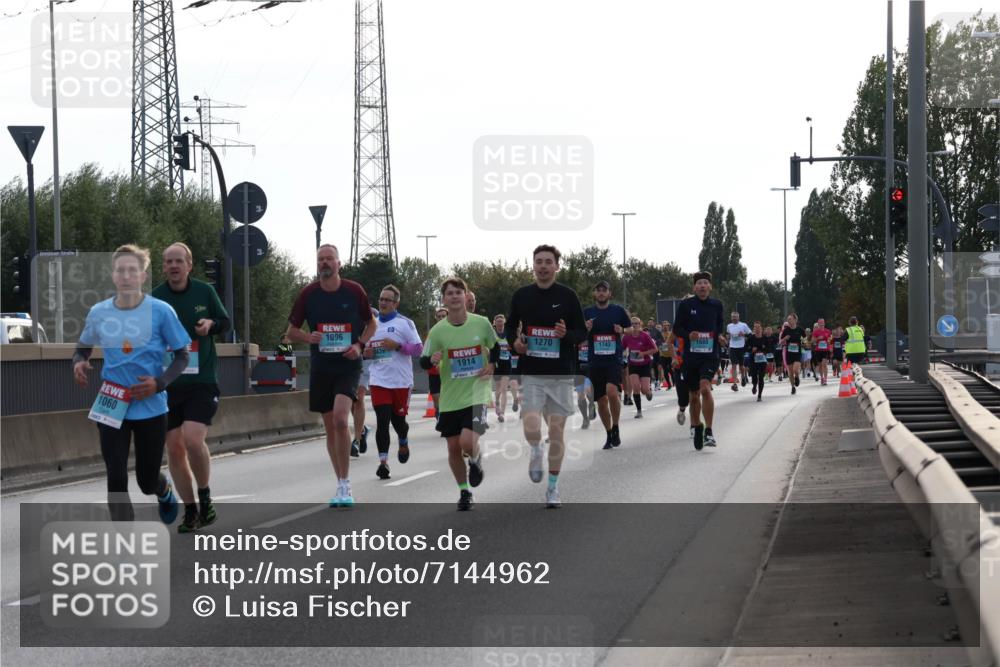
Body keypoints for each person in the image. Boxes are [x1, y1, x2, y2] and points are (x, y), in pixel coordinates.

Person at [74, 245, 191, 523]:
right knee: (115, 477)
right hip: (112, 401)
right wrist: (79, 362)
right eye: (120, 270)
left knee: (146, 481)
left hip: (150, 405)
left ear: (142, 275)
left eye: (132, 270)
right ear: (113, 276)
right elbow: (83, 348)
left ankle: (163, 489)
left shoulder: (161, 311)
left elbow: (182, 356)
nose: (126, 276)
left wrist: (159, 383)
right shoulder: (99, 312)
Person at [286, 244, 376, 508]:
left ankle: (346, 483)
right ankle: (339, 482)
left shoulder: (354, 290)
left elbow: (372, 323)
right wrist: (307, 336)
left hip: (348, 365)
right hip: (321, 366)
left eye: (329, 259)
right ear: (317, 264)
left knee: (340, 419)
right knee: (330, 426)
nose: (325, 263)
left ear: (339, 264)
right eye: (320, 259)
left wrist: (359, 345)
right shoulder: (308, 294)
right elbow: (291, 331)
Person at [152, 242, 231, 533]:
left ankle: (206, 495)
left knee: (192, 439)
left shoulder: (204, 291)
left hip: (201, 380)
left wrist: (211, 324)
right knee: (173, 448)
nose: (173, 266)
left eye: (178, 261)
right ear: (163, 267)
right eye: (168, 261)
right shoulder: (156, 298)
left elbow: (225, 321)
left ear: (189, 265)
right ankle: (191, 510)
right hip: (169, 384)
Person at [506, 245, 587, 507]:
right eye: (538, 261)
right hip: (532, 372)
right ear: (533, 265)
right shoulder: (521, 295)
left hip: (561, 373)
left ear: (556, 266)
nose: (542, 266)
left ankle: (552, 488)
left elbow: (582, 333)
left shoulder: (567, 296)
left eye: (548, 262)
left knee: (556, 431)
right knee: (531, 425)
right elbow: (509, 327)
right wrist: (514, 343)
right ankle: (535, 449)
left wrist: (567, 335)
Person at [420, 278, 495, 510]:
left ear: (465, 296)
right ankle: (464, 492)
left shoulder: (481, 323)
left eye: (458, 292)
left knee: (467, 441)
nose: (454, 296)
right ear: (444, 299)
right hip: (451, 397)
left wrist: (492, 365)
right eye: (449, 293)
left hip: (477, 393)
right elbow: (423, 360)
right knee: (453, 448)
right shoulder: (437, 331)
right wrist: (430, 360)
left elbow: (497, 347)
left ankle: (475, 459)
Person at [366, 285, 423, 480]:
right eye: (381, 299)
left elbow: (418, 350)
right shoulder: (371, 325)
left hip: (400, 381)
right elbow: (365, 350)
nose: (382, 303)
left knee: (399, 422)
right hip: (378, 380)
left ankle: (403, 439)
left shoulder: (405, 323)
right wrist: (367, 354)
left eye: (387, 300)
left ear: (396, 303)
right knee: (382, 421)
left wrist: (397, 345)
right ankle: (383, 463)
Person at [671, 271, 725, 450]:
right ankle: (696, 425)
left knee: (705, 388)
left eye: (705, 283)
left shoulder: (717, 305)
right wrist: (688, 335)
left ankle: (709, 431)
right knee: (693, 396)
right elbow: (677, 328)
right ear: (694, 287)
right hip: (691, 357)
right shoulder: (686, 305)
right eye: (699, 283)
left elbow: (719, 326)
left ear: (710, 287)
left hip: (710, 355)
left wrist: (720, 337)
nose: (702, 286)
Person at [583, 280, 632, 449]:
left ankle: (616, 425)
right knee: (601, 401)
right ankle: (609, 432)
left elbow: (631, 329)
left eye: (605, 290)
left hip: (613, 360)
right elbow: (580, 335)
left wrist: (623, 331)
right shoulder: (588, 312)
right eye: (599, 290)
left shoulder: (618, 311)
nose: (601, 293)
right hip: (595, 362)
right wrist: (586, 328)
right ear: (595, 294)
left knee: (612, 392)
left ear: (610, 294)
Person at [623, 316, 657, 418]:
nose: (634, 326)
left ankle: (648, 391)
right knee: (636, 387)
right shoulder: (627, 337)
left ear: (640, 325)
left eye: (636, 324)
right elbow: (621, 348)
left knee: (644, 389)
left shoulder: (645, 336)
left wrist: (643, 353)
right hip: (633, 365)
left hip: (645, 365)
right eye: (632, 324)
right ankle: (639, 411)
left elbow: (655, 350)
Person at [351, 313, 376, 458]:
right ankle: (362, 430)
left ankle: (357, 440)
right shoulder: (345, 315)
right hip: (349, 362)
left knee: (359, 398)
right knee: (350, 401)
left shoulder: (373, 316)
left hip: (365, 364)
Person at [492, 314, 515, 422]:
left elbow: (513, 346)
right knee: (498, 389)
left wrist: (510, 347)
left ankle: (502, 413)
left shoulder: (508, 334)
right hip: (497, 364)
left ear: (504, 323)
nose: (500, 324)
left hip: (507, 363)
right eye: (498, 322)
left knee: (504, 389)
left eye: (502, 322)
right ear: (495, 324)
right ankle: (496, 401)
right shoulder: (492, 334)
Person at [427, 307, 448, 417]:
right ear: (435, 318)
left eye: (443, 316)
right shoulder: (432, 333)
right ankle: (438, 415)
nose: (441, 318)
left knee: (449, 401)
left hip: (449, 372)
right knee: (437, 403)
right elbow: (425, 354)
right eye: (439, 316)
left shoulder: (454, 331)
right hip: (434, 373)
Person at [779, 314, 806, 395]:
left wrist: (804, 343)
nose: (789, 321)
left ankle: (797, 377)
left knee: (795, 369)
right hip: (789, 353)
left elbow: (805, 340)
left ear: (795, 320)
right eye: (788, 319)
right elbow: (780, 342)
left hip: (797, 352)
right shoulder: (786, 330)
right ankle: (793, 387)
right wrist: (784, 338)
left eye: (790, 319)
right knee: (790, 372)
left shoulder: (800, 330)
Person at [667, 327, 689, 425]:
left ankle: (695, 426)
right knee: (682, 394)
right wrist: (673, 358)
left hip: (696, 363)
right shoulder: (679, 327)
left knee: (695, 396)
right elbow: (668, 342)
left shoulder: (701, 324)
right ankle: (682, 408)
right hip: (680, 364)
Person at [725, 311, 752, 391]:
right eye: (733, 317)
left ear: (738, 317)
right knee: (733, 365)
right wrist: (728, 338)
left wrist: (743, 335)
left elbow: (750, 335)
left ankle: (743, 377)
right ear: (731, 318)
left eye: (735, 317)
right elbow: (728, 335)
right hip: (732, 347)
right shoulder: (729, 326)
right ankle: (735, 383)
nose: (734, 318)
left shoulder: (743, 325)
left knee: (741, 365)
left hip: (741, 347)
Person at [747, 321, 770, 402]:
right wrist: (751, 349)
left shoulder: (765, 338)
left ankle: (759, 394)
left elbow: (769, 348)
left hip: (762, 360)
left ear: (761, 328)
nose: (756, 329)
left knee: (761, 377)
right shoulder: (751, 338)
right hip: (753, 360)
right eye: (755, 327)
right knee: (754, 376)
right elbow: (746, 348)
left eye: (758, 327)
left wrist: (764, 351)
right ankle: (754, 385)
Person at [811, 318, 834, 385]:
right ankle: (822, 378)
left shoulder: (828, 331)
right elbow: (812, 341)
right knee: (820, 365)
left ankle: (825, 379)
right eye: (820, 323)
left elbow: (831, 340)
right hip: (818, 350)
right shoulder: (816, 332)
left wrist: (829, 341)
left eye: (822, 322)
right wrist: (818, 338)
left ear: (824, 323)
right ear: (818, 324)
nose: (821, 324)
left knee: (824, 364)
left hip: (826, 350)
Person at [659, 321, 674, 390]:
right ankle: (669, 384)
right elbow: (658, 343)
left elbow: (674, 343)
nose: (665, 327)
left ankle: (674, 381)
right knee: (665, 370)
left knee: (671, 369)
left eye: (667, 325)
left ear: (669, 326)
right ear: (662, 326)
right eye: (664, 325)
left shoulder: (671, 334)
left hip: (670, 354)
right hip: (663, 355)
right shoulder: (660, 334)